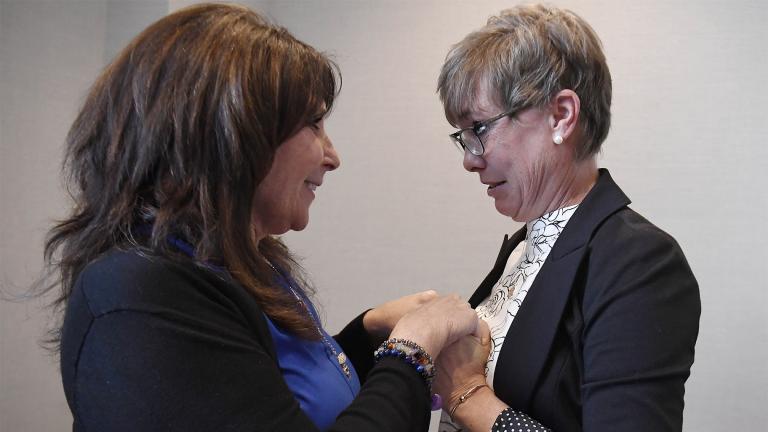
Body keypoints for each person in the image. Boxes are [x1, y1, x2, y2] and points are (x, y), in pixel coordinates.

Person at [41, 4, 481, 431]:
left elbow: (273, 399)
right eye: (313, 123)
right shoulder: (137, 297)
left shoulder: (237, 263)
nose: (332, 156)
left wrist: (368, 333)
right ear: (231, 134)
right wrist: (411, 350)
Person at [432, 5, 700, 432]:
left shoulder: (640, 261)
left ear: (562, 115)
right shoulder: (528, 244)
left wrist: (468, 396)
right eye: (462, 137)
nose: (469, 160)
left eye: (479, 129)